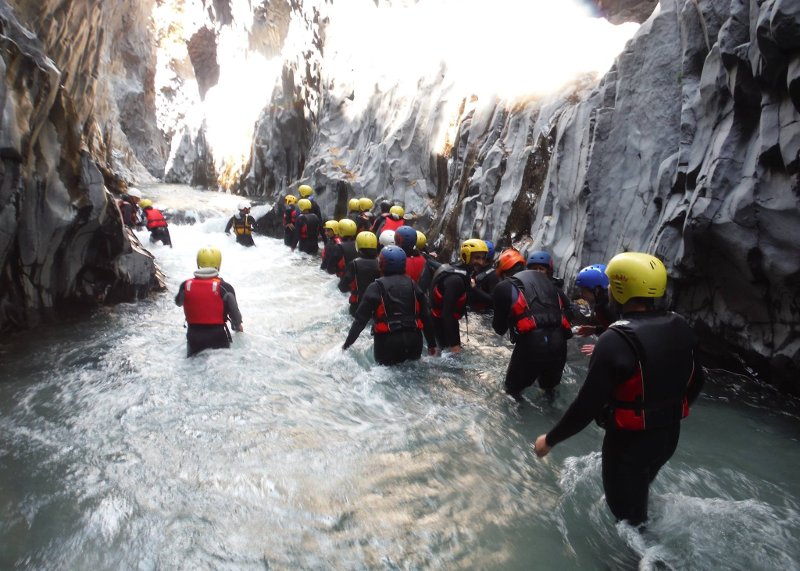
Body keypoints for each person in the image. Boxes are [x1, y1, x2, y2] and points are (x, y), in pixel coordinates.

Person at [534, 252, 705, 527]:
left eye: (613, 284)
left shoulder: (614, 339)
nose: (610, 290)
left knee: (630, 525)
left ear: (622, 289)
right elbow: (698, 379)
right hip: (667, 437)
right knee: (638, 496)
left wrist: (550, 439)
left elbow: (586, 406)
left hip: (628, 445)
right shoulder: (680, 326)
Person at [491, 248, 572, 400]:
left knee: (512, 393)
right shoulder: (552, 285)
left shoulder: (503, 287)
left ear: (502, 273)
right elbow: (570, 311)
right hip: (559, 344)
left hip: (531, 345)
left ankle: (517, 422)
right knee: (549, 393)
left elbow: (499, 329)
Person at [342, 246, 437, 365]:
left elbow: (360, 321)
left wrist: (346, 345)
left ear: (381, 264)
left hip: (388, 343)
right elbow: (426, 316)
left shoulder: (375, 287)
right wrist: (432, 344)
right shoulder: (413, 284)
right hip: (414, 341)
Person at [175, 246, 243, 357]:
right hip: (218, 338)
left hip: (194, 338)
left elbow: (178, 302)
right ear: (218, 264)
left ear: (198, 263)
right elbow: (235, 315)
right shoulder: (225, 288)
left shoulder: (186, 285)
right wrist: (237, 326)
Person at [429, 238, 487, 353]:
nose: (481, 262)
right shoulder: (455, 281)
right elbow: (447, 314)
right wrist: (455, 345)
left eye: (483, 258)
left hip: (441, 324)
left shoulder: (458, 270)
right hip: (440, 326)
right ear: (466, 256)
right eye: (477, 258)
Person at [573, 264, 618, 357]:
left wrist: (603, 347)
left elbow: (622, 336)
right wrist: (595, 329)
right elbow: (612, 327)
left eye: (583, 290)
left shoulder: (609, 307)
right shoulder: (602, 303)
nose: (581, 294)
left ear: (596, 290)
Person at [339, 231, 381, 316]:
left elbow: (342, 287)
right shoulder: (381, 262)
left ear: (358, 246)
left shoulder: (354, 264)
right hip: (376, 307)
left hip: (357, 306)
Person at [468, 240, 498, 312]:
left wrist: (474, 288)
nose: (479, 262)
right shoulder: (476, 269)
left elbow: (493, 299)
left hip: (483, 313)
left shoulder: (493, 275)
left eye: (482, 258)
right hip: (472, 308)